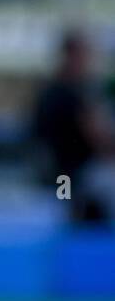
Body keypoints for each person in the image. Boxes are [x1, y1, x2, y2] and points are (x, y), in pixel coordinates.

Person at [29, 30, 115, 224]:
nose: (89, 60)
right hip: (66, 174)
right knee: (64, 213)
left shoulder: (55, 88)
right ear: (72, 55)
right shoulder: (71, 92)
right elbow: (99, 138)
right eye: (85, 54)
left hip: (64, 173)